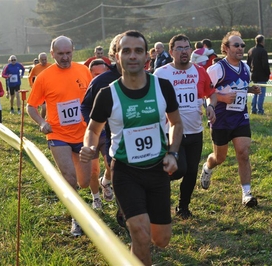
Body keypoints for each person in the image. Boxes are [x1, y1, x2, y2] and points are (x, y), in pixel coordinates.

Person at [79, 30, 183, 266]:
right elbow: (93, 130)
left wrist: (173, 153)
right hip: (125, 171)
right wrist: (89, 147)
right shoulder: (107, 94)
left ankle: (133, 255)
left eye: (138, 51)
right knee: (140, 232)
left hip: (157, 170)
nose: (132, 56)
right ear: (116, 56)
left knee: (161, 239)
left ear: (147, 56)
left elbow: (176, 123)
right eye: (126, 51)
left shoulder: (163, 87)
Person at [27, 36, 92, 237]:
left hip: (83, 134)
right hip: (57, 133)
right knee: (69, 178)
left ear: (73, 51)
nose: (65, 57)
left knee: (85, 182)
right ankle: (76, 218)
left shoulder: (84, 71)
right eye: (60, 54)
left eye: (68, 53)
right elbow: (31, 106)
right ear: (52, 53)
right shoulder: (44, 77)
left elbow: (94, 98)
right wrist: (42, 122)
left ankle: (81, 200)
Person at [154, 34, 217, 219]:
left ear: (191, 50)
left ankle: (183, 207)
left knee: (191, 172)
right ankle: (156, 181)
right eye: (179, 48)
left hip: (195, 130)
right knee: (179, 169)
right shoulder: (161, 73)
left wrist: (211, 106)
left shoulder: (199, 71)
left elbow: (211, 93)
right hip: (172, 131)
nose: (184, 51)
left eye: (186, 47)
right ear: (171, 51)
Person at [200, 31, 261, 207]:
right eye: (236, 45)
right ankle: (207, 167)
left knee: (243, 153)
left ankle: (247, 194)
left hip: (240, 117)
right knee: (220, 158)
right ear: (226, 48)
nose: (241, 48)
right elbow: (206, 93)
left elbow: (239, 88)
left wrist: (250, 90)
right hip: (221, 120)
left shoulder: (246, 68)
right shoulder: (216, 69)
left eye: (242, 45)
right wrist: (222, 98)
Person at [86, 58, 113, 210]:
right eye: (95, 74)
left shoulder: (110, 89)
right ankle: (96, 198)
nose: (99, 77)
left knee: (111, 165)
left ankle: (106, 182)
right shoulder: (87, 89)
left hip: (106, 134)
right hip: (89, 134)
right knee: (93, 170)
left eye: (102, 74)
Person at [247, 34, 271, 115]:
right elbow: (265, 64)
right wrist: (268, 73)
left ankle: (253, 109)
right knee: (261, 94)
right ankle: (260, 110)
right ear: (262, 41)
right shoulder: (263, 51)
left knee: (255, 93)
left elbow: (248, 64)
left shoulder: (250, 50)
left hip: (253, 75)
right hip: (262, 75)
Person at [28, 52, 52, 119]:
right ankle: (42, 120)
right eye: (42, 60)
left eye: (45, 59)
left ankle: (49, 120)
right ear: (39, 60)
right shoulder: (36, 68)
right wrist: (32, 86)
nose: (44, 61)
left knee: (50, 107)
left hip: (50, 89)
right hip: (41, 90)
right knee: (44, 107)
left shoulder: (50, 66)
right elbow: (30, 77)